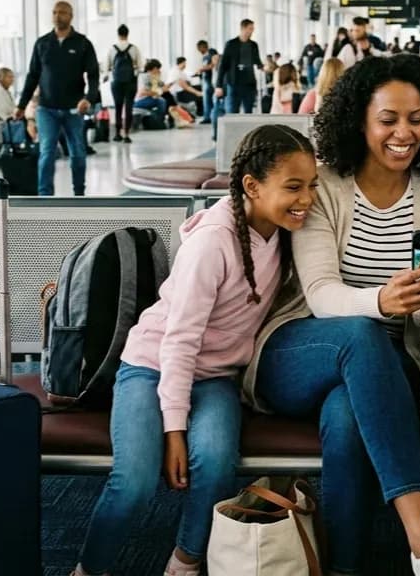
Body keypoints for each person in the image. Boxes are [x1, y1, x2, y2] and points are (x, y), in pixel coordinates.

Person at [243, 55, 420, 576]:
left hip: (389, 365)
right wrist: (381, 302)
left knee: (349, 419)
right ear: (359, 122)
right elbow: (323, 294)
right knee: (360, 334)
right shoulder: (321, 187)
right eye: (388, 119)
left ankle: (346, 567)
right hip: (304, 347)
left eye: (416, 118)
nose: (404, 132)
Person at [70, 126, 318, 576]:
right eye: (294, 187)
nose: (308, 198)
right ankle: (90, 567)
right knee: (135, 481)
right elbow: (179, 341)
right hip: (153, 365)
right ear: (251, 186)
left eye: (312, 185)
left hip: (217, 378)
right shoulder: (212, 243)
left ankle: (185, 561)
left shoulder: (285, 232)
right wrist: (174, 429)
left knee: (217, 464)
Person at [14, 1, 100, 197]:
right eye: (54, 12)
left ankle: (79, 194)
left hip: (74, 109)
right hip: (47, 109)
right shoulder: (42, 43)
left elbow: (93, 75)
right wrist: (21, 105)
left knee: (77, 153)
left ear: (70, 16)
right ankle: (45, 197)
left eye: (62, 12)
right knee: (46, 153)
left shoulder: (82, 43)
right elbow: (32, 76)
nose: (57, 16)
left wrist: (88, 98)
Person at [215, 19, 260, 114]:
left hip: (249, 84)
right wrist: (218, 86)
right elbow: (223, 65)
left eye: (252, 29)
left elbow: (258, 62)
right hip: (234, 83)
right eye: (250, 28)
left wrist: (264, 67)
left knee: (249, 112)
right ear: (242, 28)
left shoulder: (253, 45)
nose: (251, 31)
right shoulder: (231, 44)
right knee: (232, 112)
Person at [106, 24, 142, 143]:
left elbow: (106, 67)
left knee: (118, 107)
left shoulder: (112, 49)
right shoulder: (134, 48)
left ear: (118, 34)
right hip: (130, 81)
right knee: (129, 107)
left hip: (116, 82)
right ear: (128, 34)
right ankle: (126, 134)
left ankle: (117, 134)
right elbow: (140, 67)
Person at [134, 60, 169, 125]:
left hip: (150, 99)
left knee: (168, 98)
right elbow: (143, 92)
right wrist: (159, 91)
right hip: (140, 101)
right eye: (158, 69)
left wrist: (159, 89)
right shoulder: (144, 76)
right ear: (155, 68)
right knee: (161, 101)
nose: (159, 71)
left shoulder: (154, 77)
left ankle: (161, 120)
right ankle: (159, 122)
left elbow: (165, 88)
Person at [196, 40, 218, 126]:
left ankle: (208, 117)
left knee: (209, 100)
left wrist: (202, 69)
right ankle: (207, 116)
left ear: (203, 47)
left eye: (199, 48)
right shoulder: (204, 57)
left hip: (210, 81)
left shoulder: (211, 53)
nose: (198, 50)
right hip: (205, 80)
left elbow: (213, 65)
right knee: (207, 100)